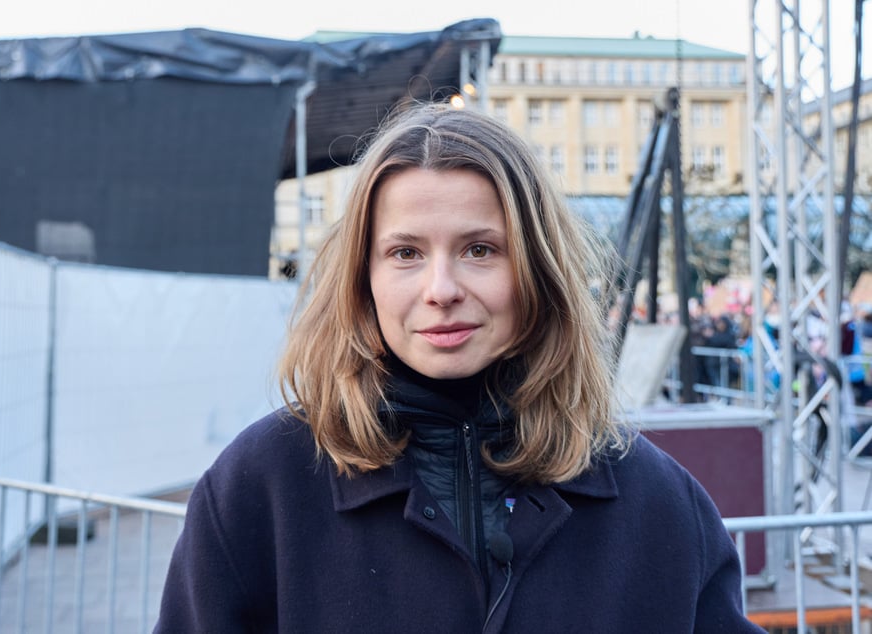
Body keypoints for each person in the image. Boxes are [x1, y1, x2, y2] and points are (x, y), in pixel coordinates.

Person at [154, 102, 765, 633]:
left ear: (539, 272)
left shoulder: (657, 504)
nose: (441, 288)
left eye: (480, 249)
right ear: (362, 279)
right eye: (405, 253)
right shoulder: (261, 488)